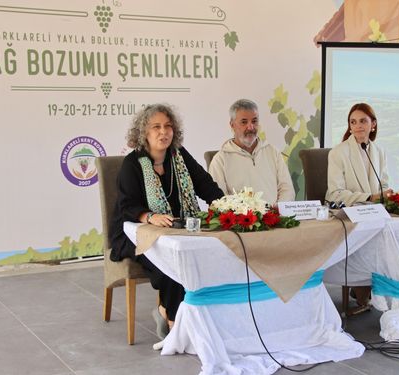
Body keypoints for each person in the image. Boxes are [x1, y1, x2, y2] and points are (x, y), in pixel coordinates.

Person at [109, 104, 223, 340]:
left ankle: (188, 315)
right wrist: (150, 217)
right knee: (171, 266)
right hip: (135, 232)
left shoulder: (179, 155)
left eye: (168, 126)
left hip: (176, 230)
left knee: (206, 256)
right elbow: (127, 206)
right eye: (156, 127)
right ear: (144, 133)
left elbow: (205, 184)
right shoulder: (132, 163)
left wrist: (225, 206)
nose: (164, 132)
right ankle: (174, 322)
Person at [326, 102, 393, 315]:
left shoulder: (379, 152)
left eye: (363, 121)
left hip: (376, 214)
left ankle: (380, 289)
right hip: (351, 216)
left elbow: (383, 184)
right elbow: (334, 194)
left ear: (373, 124)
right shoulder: (338, 153)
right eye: (352, 122)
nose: (358, 126)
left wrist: (387, 195)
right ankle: (362, 289)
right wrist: (368, 197)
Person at [208, 99, 295, 205]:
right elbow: (219, 201)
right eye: (244, 122)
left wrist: (278, 209)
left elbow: (287, 189)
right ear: (232, 125)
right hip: (240, 220)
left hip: (275, 218)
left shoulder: (272, 152)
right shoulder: (220, 160)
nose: (250, 127)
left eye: (254, 121)